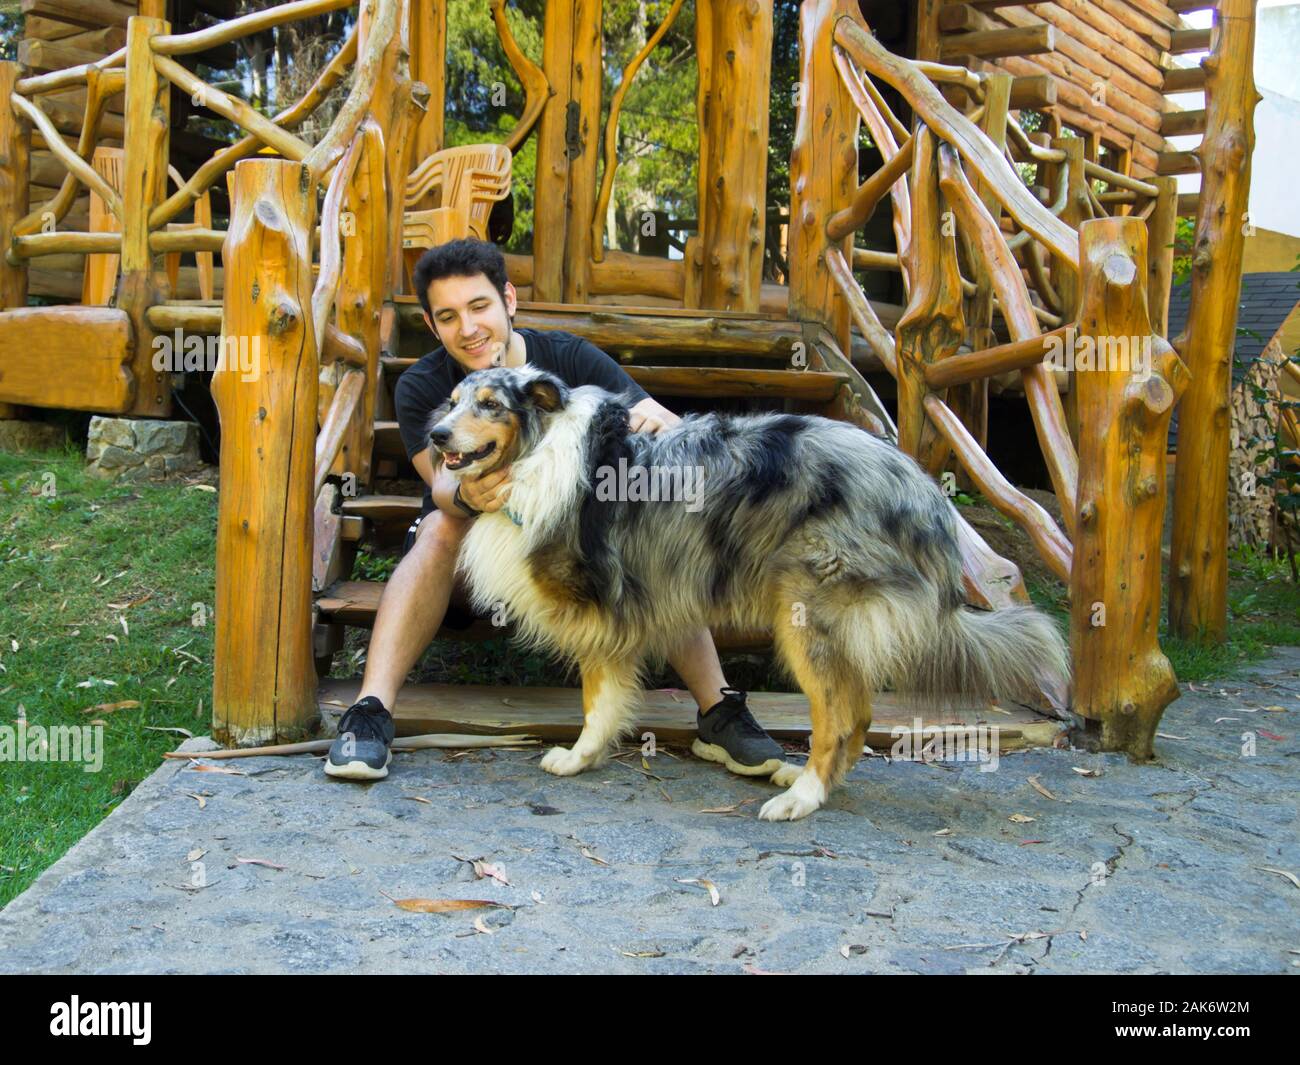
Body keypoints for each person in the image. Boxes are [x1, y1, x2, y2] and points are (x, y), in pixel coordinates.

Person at [325, 238, 785, 781]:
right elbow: (443, 481)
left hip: (573, 546)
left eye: (479, 308)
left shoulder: (566, 356)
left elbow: (654, 423)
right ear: (431, 324)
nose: (468, 328)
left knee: (649, 537)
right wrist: (468, 495)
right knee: (444, 524)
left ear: (508, 301)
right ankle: (372, 710)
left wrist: (663, 429)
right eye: (448, 317)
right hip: (480, 546)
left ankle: (719, 709)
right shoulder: (424, 383)